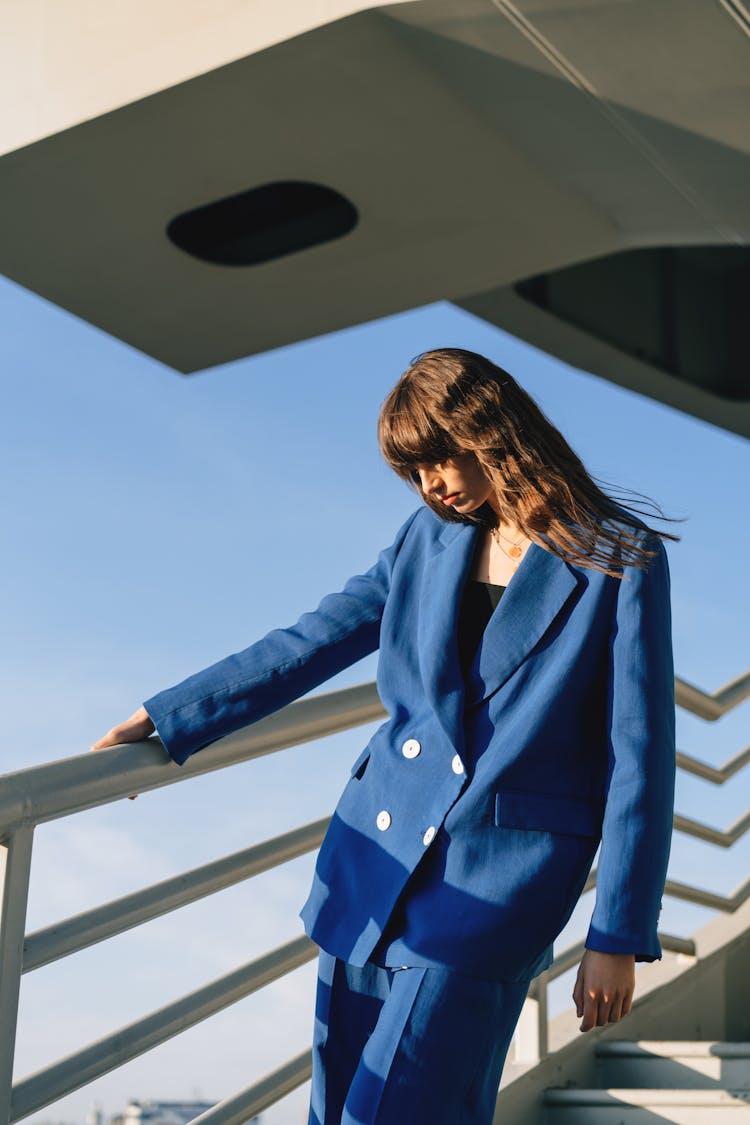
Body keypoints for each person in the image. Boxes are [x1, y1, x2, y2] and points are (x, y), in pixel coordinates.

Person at [92, 347, 681, 1125]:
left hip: (495, 888)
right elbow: (313, 638)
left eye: (437, 458)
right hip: (375, 864)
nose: (430, 484)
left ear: (489, 429)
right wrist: (172, 717)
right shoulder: (426, 538)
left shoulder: (617, 558)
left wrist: (618, 931)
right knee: (338, 1112)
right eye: (414, 472)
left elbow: (641, 756)